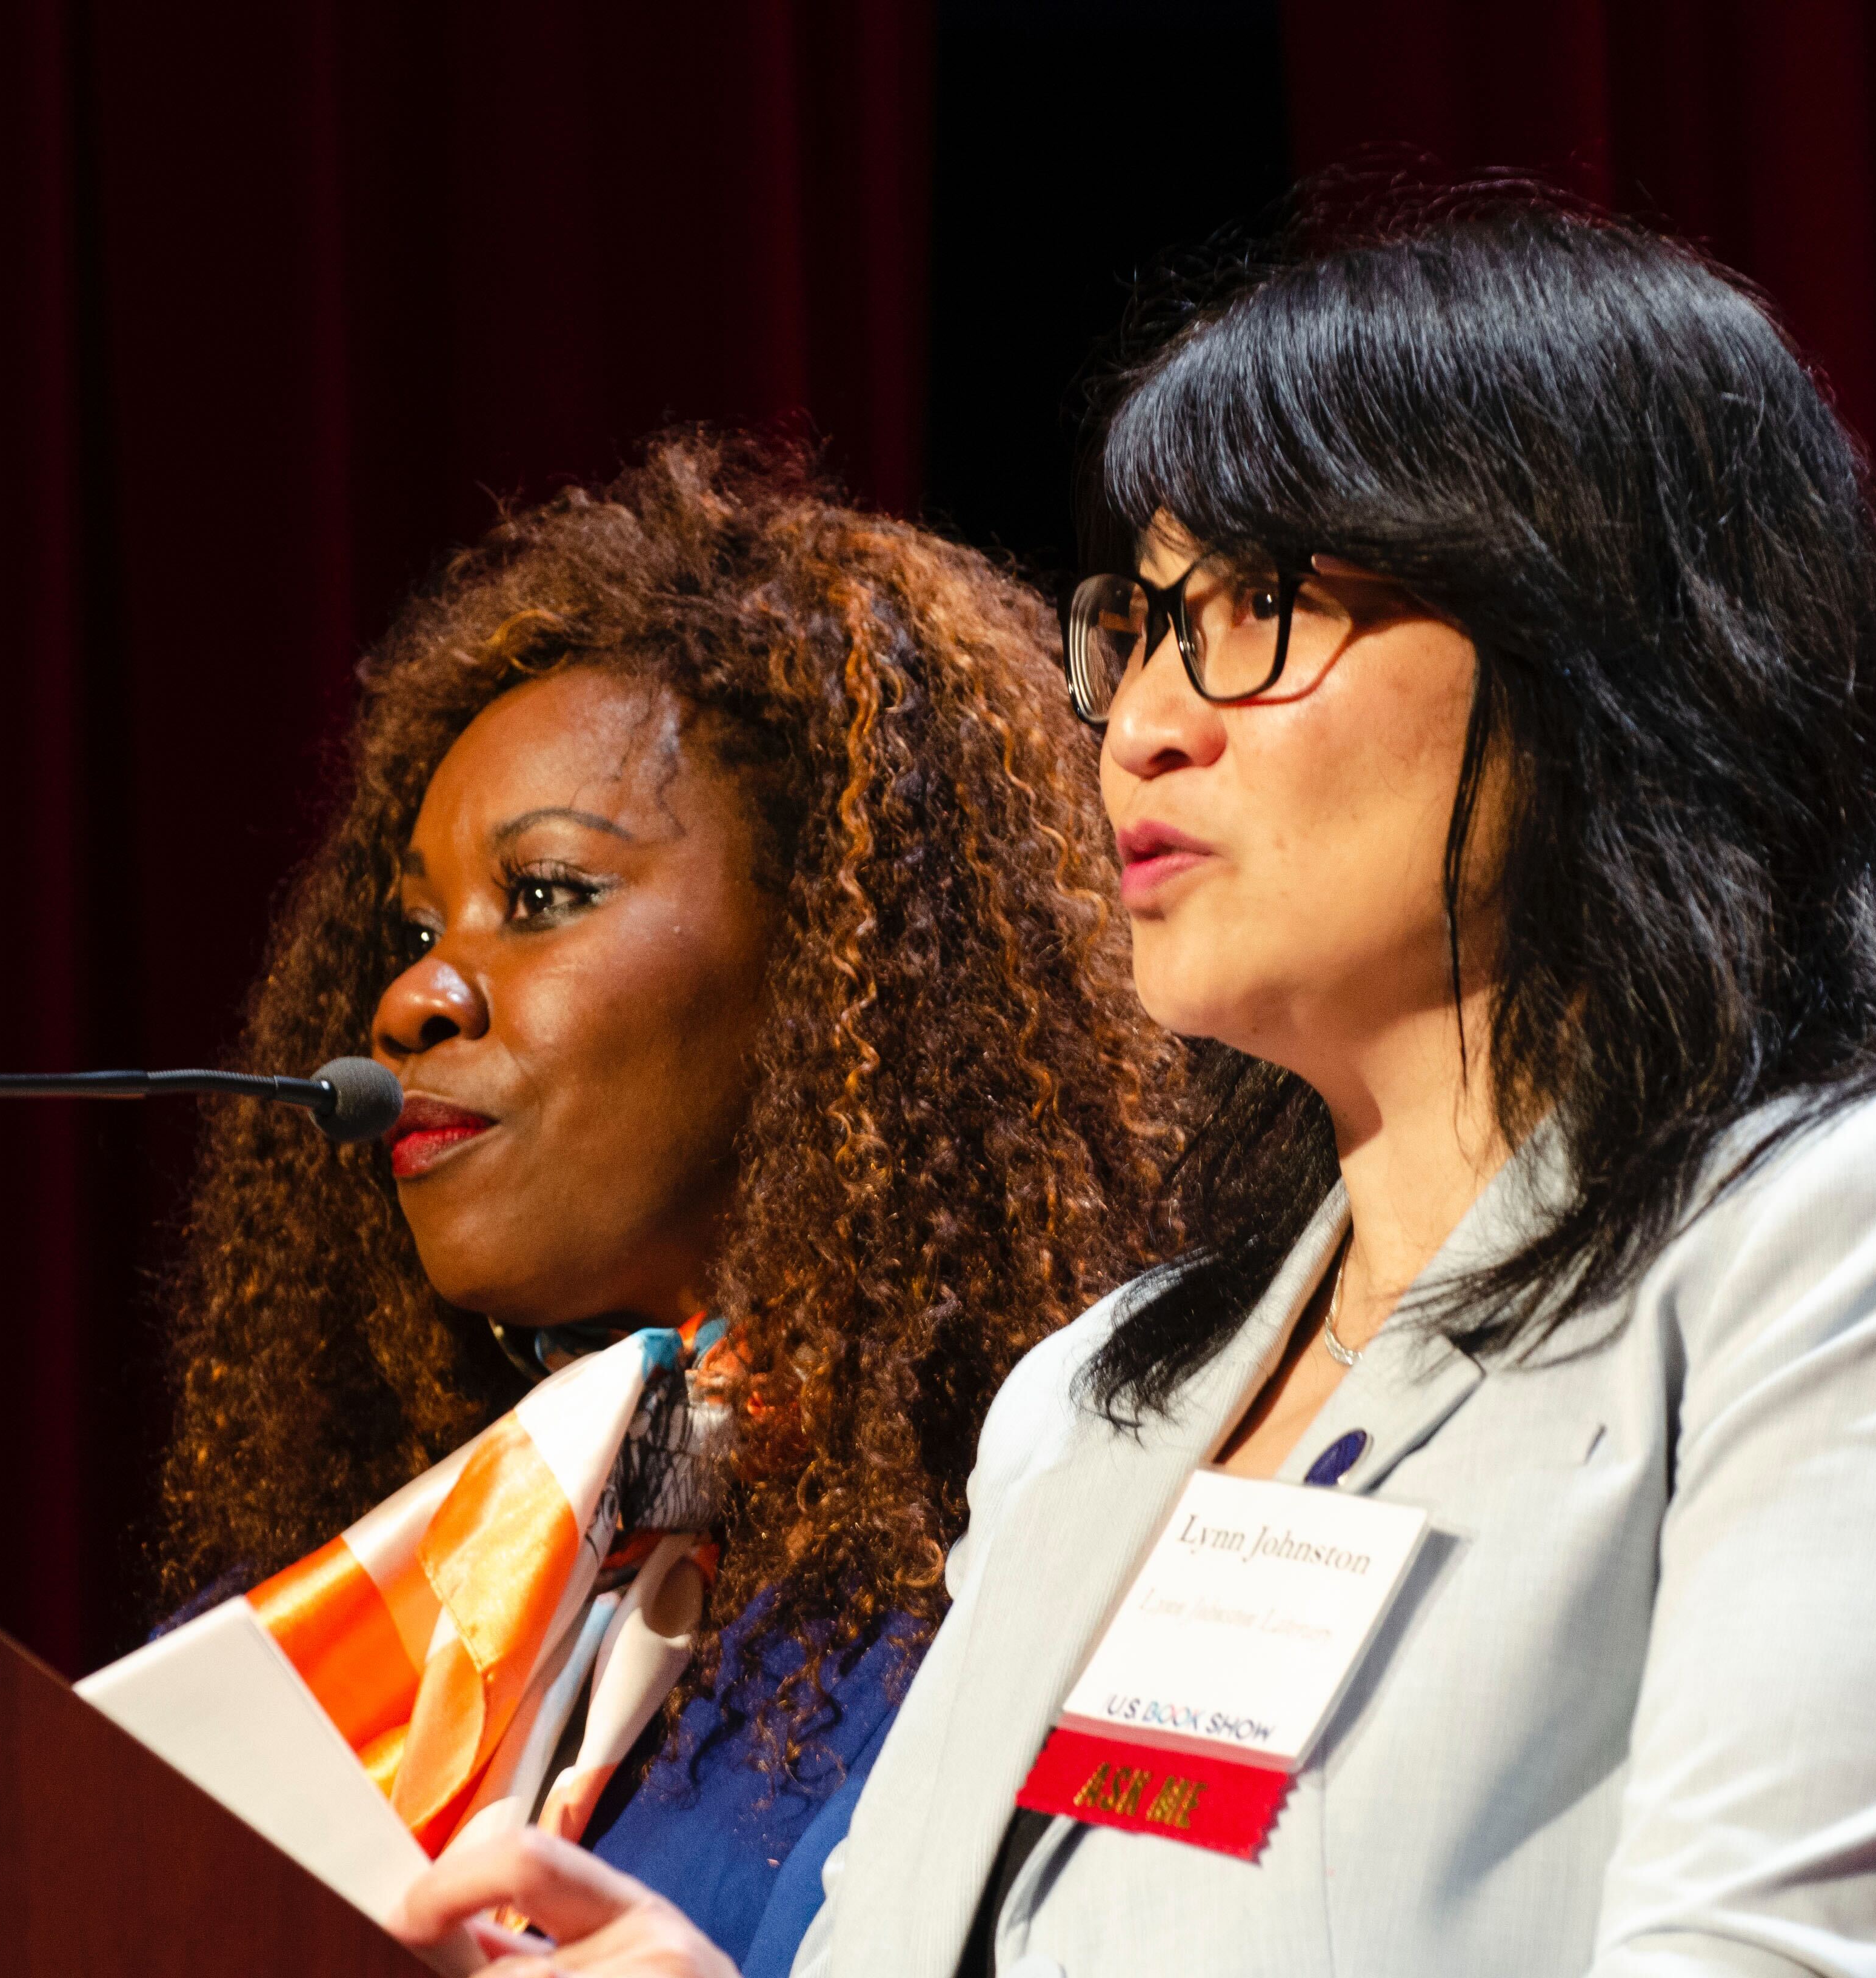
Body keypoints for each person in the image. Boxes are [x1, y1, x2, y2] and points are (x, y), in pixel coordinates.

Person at [394, 198, 1876, 1976]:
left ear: (1597, 653)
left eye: (1260, 605)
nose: (1150, 722)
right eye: (1144, 628)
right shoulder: (1088, 1407)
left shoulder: (1872, 1256)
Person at [149, 433, 1181, 1976]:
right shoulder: (342, 1632)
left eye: (546, 897)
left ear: (840, 965)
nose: (415, 997)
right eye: (417, 923)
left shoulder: (1037, 1582)